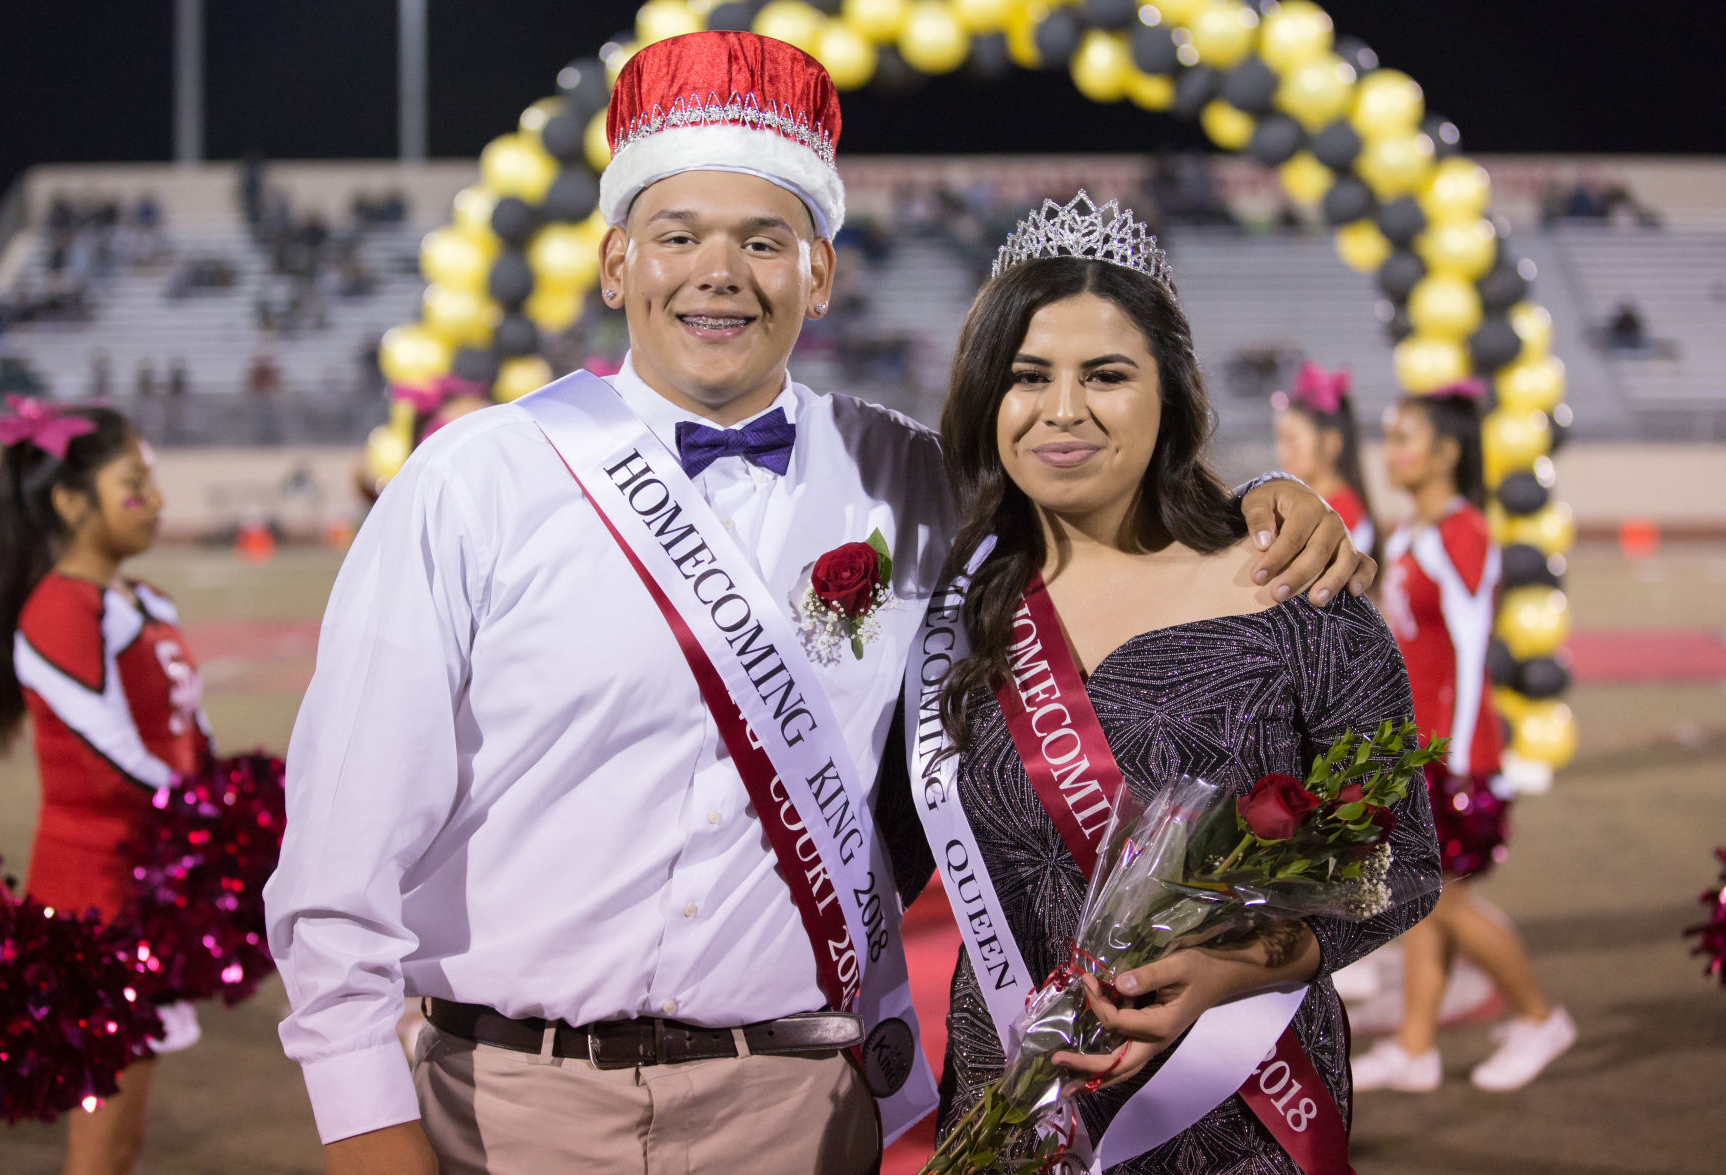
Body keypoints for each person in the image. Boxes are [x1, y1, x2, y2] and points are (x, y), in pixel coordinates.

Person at [263, 34, 1373, 1175]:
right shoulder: (471, 482)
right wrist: (365, 1128)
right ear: (613, 264)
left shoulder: (910, 478)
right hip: (505, 1106)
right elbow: (335, 863)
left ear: (820, 272)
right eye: (676, 236)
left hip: (796, 1114)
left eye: (762, 240)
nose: (718, 273)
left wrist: (1258, 503)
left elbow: (1098, 492)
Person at [912, 194, 1440, 1172]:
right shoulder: (951, 606)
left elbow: (1400, 861)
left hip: (1241, 1112)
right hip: (1009, 1114)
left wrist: (1237, 964)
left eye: (1106, 375)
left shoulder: (1298, 595)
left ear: (1172, 394)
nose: (1061, 409)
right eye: (1027, 375)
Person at [0, 397, 210, 1175]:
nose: (156, 499)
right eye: (134, 483)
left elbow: (188, 738)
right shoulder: (58, 608)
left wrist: (222, 808)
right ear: (71, 501)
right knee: (100, 1148)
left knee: (123, 1138)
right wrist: (210, 814)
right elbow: (110, 754)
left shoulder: (144, 599)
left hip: (148, 882)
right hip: (92, 899)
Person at [1350, 382, 1576, 1093]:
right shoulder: (1411, 533)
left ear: (1447, 451)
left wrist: (1459, 759)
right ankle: (1414, 1048)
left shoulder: (1462, 532)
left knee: (1444, 900)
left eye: (1405, 437)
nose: (1391, 451)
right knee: (1422, 898)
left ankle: (1539, 1017)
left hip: (1450, 755)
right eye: (1389, 436)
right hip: (1415, 748)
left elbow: (1475, 652)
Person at [1272, 359, 1374, 557]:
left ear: (1330, 442)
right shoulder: (1310, 507)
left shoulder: (1341, 515)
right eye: (1279, 440)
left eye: (1291, 440)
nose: (1282, 453)